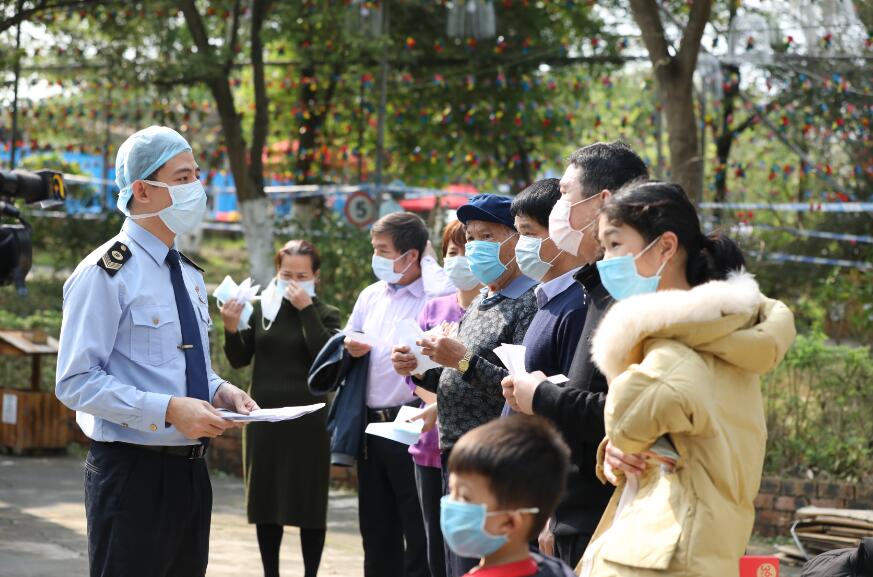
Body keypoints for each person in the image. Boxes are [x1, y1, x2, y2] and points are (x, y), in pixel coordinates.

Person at [55, 125, 258, 577]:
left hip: (191, 473)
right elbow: (75, 381)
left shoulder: (186, 271)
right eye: (183, 178)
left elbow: (185, 366)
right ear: (142, 190)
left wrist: (221, 391)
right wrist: (167, 410)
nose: (197, 188)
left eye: (196, 175)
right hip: (131, 475)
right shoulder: (106, 273)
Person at [578, 181, 796, 576]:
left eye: (614, 244)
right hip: (692, 546)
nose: (604, 260)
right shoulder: (722, 339)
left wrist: (627, 345)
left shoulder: (677, 351)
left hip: (666, 557)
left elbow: (625, 422)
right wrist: (612, 452)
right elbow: (651, 443)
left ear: (664, 247)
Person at [501, 141, 649, 568]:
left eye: (565, 193)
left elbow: (626, 411)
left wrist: (542, 396)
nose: (557, 208)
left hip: (606, 518)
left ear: (601, 202)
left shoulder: (634, 297)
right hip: (573, 511)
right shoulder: (597, 288)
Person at [397, 194, 538, 577]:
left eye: (487, 236)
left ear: (515, 240)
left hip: (493, 465)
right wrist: (422, 368)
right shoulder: (484, 296)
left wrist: (460, 358)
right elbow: (458, 372)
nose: (475, 248)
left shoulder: (528, 302)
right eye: (471, 238)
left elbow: (519, 388)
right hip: (456, 455)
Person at [342, 211, 455, 577]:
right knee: (376, 529)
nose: (377, 257)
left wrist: (434, 273)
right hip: (371, 425)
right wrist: (349, 345)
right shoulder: (371, 295)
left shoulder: (436, 295)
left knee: (417, 527)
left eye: (383, 250)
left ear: (412, 255)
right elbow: (349, 335)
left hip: (414, 420)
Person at [221, 239, 341, 577]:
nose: (292, 281)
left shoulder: (326, 314)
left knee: (309, 502)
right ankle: (269, 572)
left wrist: (305, 309)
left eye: (301, 275)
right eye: (286, 273)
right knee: (266, 500)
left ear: (315, 276)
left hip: (309, 420)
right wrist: (231, 329)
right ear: (277, 271)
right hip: (263, 416)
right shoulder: (261, 309)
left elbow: (325, 358)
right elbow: (240, 359)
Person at [392, 219, 483, 577]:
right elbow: (418, 370)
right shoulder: (434, 308)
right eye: (451, 252)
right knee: (434, 549)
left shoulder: (491, 312)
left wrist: (440, 404)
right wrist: (410, 371)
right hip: (428, 444)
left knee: (466, 551)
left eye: (467, 250)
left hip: (469, 445)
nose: (458, 259)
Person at [441, 415, 576, 577]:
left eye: (464, 497)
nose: (451, 504)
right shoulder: (557, 570)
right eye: (451, 490)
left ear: (509, 522)